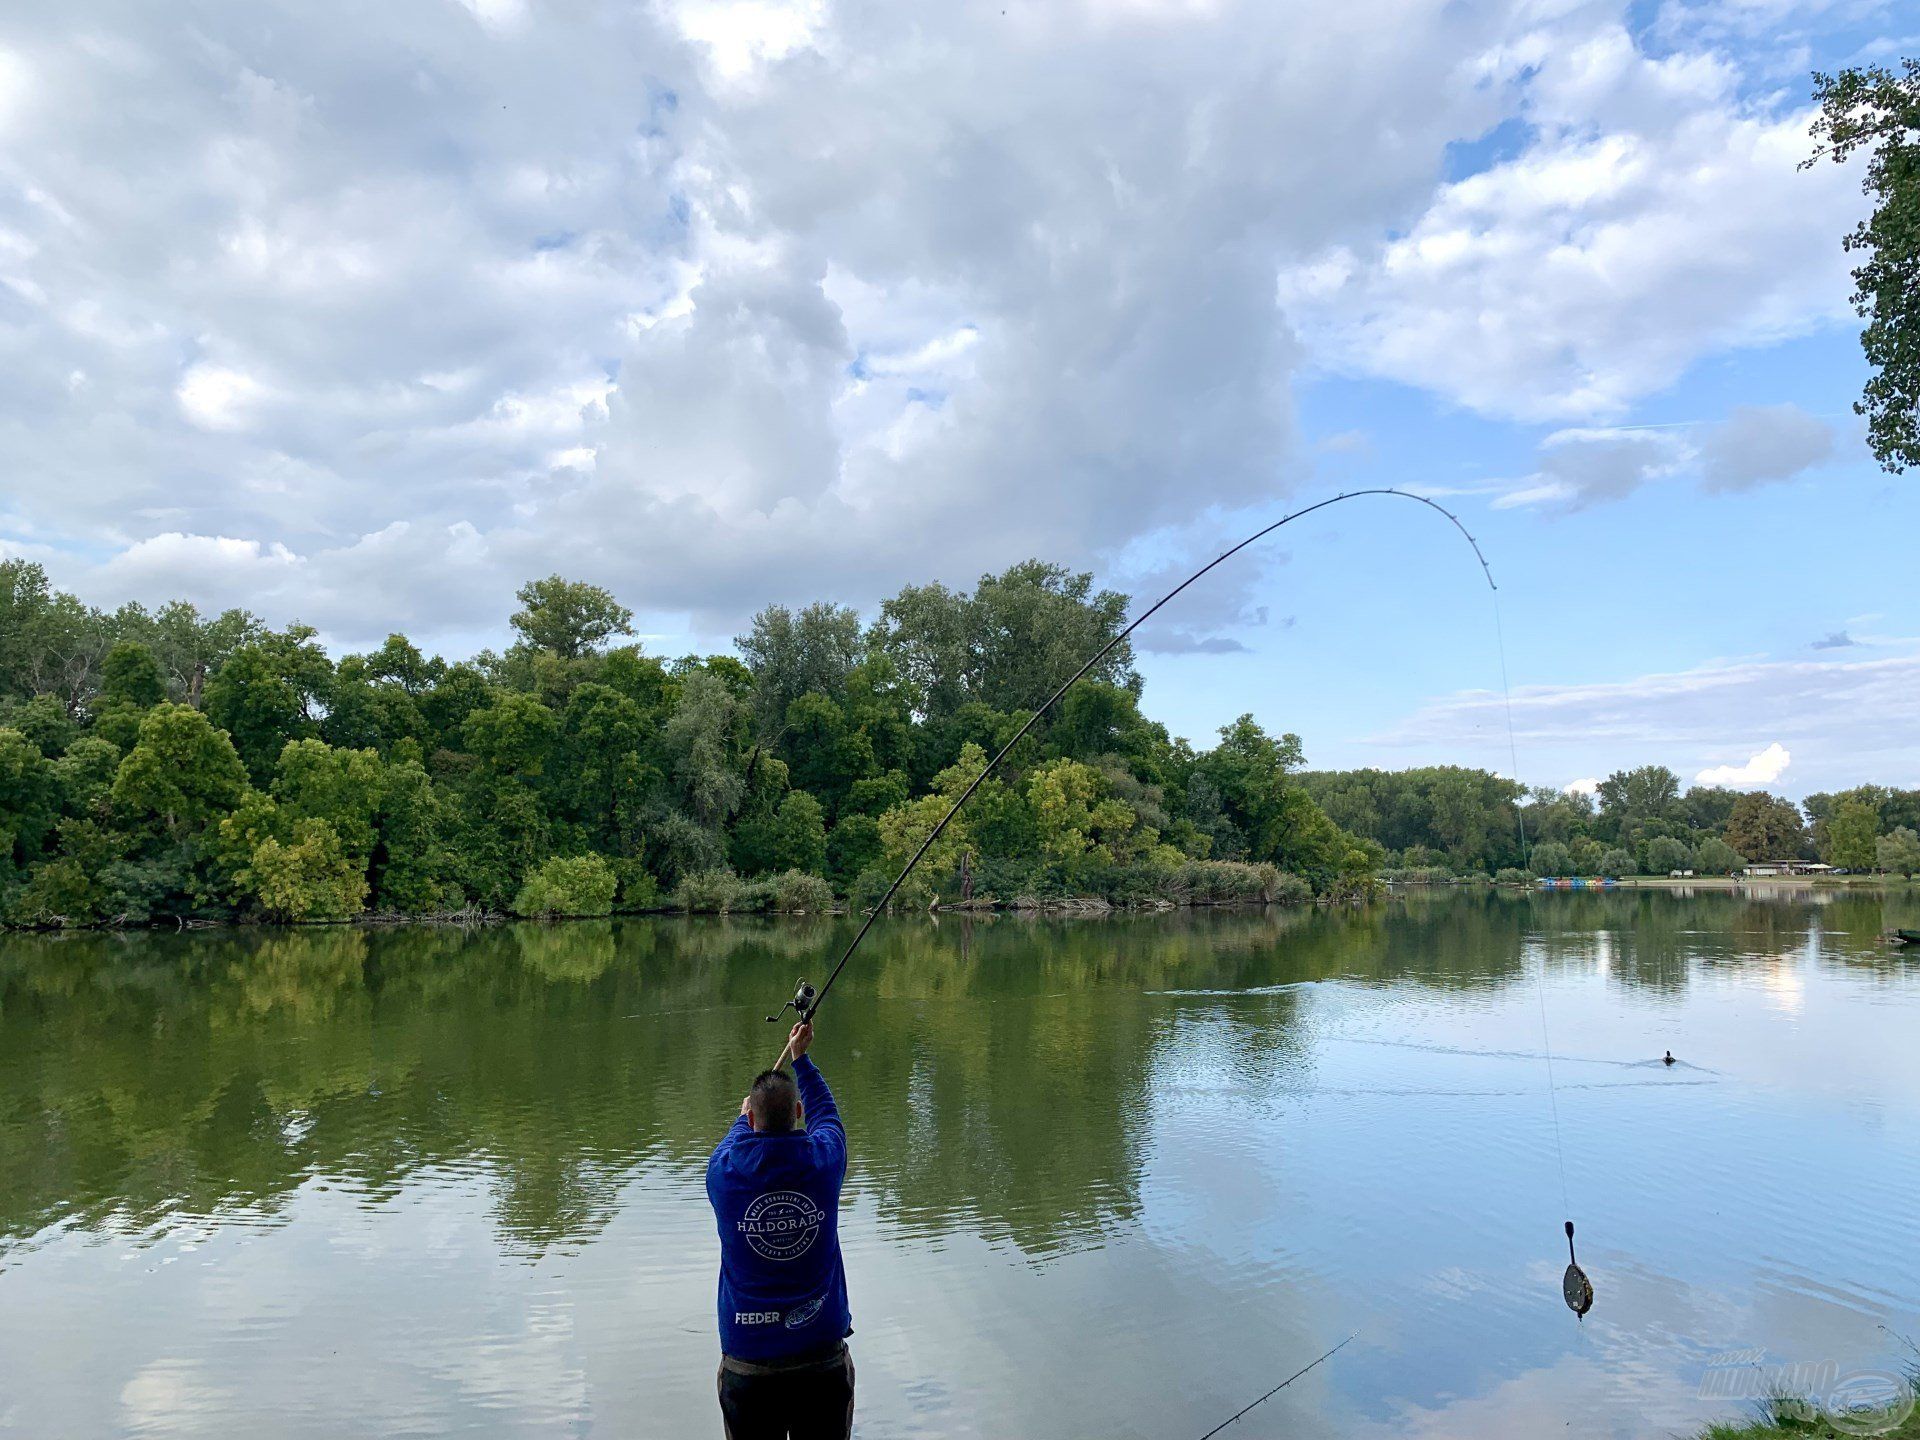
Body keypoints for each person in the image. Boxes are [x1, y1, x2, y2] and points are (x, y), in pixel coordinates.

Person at [706, 1021, 853, 1439]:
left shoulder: (723, 1174)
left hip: (748, 1361)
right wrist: (801, 1060)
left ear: (750, 1118)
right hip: (820, 1359)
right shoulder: (825, 1163)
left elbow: (730, 1143)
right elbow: (827, 1114)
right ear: (798, 1114)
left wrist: (741, 1120)